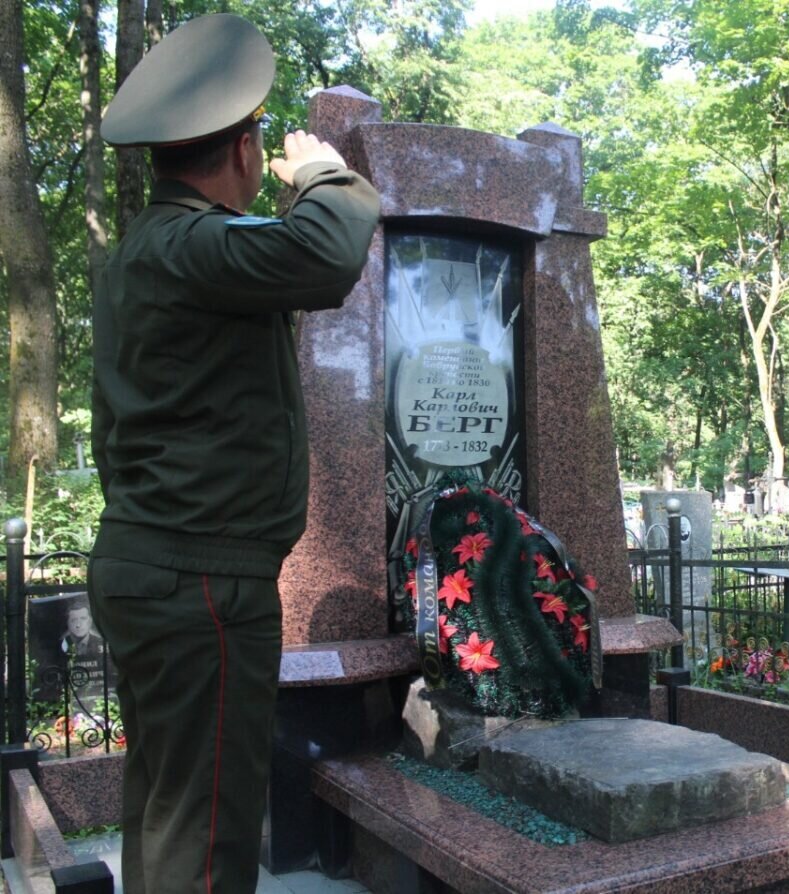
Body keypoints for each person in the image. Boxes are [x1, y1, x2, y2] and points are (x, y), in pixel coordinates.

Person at [87, 14, 380, 894]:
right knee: (208, 832)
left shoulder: (148, 249)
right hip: (200, 584)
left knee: (171, 809)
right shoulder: (192, 245)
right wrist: (323, 170)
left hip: (162, 571)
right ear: (246, 149)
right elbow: (327, 252)